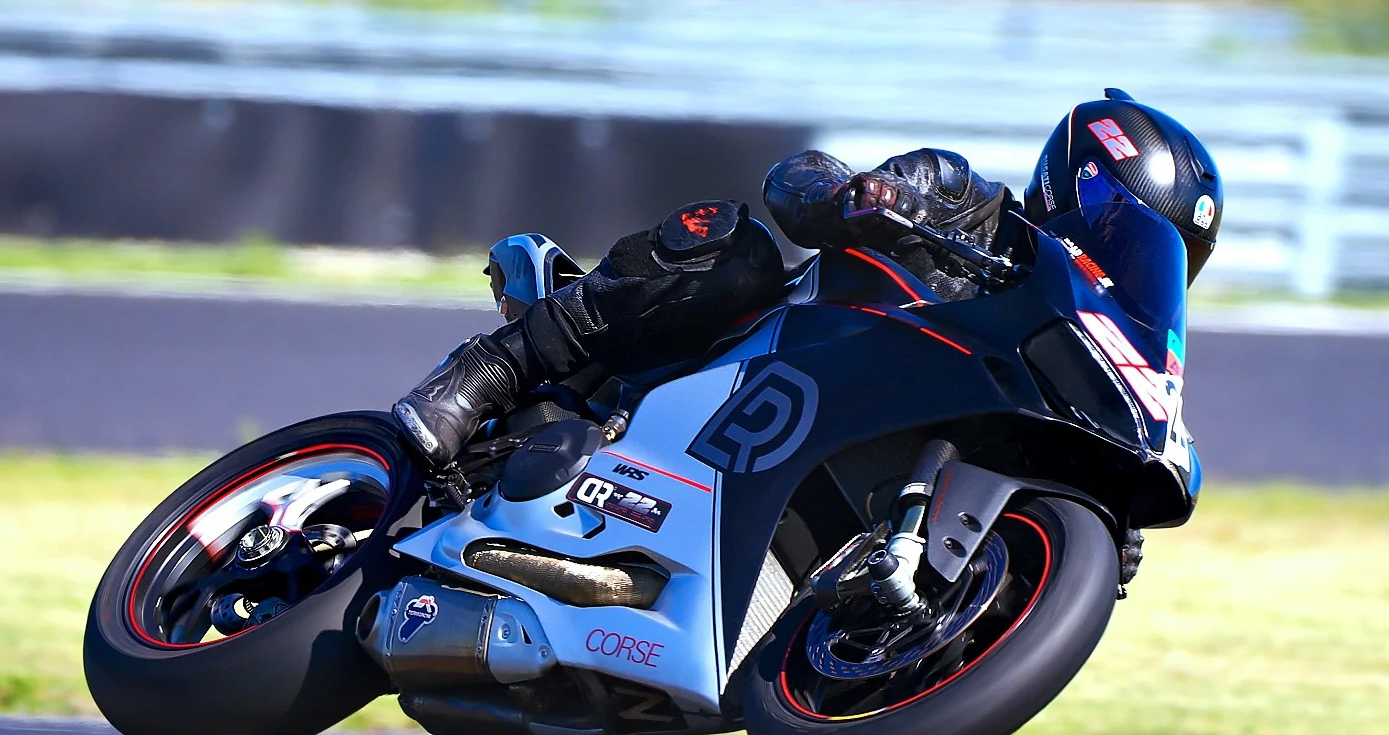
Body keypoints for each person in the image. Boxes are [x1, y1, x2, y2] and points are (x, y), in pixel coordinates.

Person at [393, 89, 1222, 481]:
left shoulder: (1088, 358)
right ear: (1084, 182)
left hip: (836, 449)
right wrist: (861, 195)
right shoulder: (966, 202)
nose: (1128, 253)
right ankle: (489, 370)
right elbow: (797, 181)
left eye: (1157, 254)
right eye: (1126, 225)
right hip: (755, 360)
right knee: (737, 246)